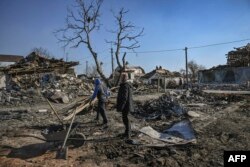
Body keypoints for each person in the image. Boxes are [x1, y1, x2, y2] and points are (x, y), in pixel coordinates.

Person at [116, 73, 134, 139]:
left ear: (124, 78)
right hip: (126, 106)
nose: (121, 78)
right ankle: (126, 133)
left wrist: (121, 107)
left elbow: (124, 97)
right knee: (125, 119)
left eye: (122, 77)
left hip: (126, 106)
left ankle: (128, 135)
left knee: (126, 120)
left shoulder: (125, 86)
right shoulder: (125, 85)